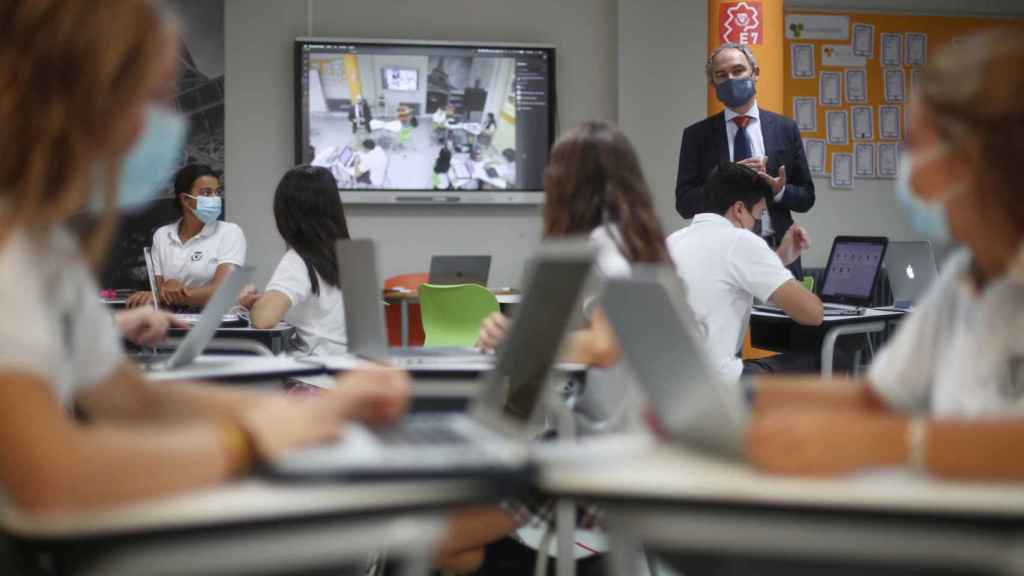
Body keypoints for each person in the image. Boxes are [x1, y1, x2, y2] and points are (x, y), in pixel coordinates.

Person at [0, 0, 409, 522]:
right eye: (153, 101)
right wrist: (250, 441)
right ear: (85, 100)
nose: (171, 126)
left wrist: (304, 414)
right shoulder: (12, 252)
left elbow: (132, 401)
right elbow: (49, 477)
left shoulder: (45, 250)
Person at [746, 30, 1024, 481]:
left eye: (913, 145)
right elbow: (875, 396)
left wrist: (896, 443)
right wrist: (737, 404)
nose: (905, 165)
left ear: (968, 158)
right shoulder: (962, 279)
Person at [445, 121, 671, 574]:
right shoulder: (639, 243)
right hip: (616, 448)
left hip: (591, 464)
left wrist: (521, 338)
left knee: (440, 538)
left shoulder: (604, 245)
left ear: (570, 182)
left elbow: (606, 345)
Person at [667, 162, 822, 386]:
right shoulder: (741, 240)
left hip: (674, 384)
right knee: (832, 357)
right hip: (719, 386)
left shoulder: (673, 240)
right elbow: (813, 314)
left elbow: (727, 277)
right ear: (739, 210)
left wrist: (779, 259)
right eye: (757, 216)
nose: (754, 225)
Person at [675, 42, 815, 279]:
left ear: (755, 73)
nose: (731, 79)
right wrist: (722, 179)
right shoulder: (697, 135)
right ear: (713, 84)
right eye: (721, 75)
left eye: (738, 71)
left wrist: (780, 192)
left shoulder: (784, 129)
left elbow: (806, 197)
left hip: (777, 251)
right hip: (719, 257)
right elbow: (684, 204)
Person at [238, 166, 350, 356]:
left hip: (312, 377)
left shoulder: (299, 260)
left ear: (285, 213)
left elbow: (263, 320)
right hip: (353, 375)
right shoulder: (348, 255)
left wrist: (256, 306)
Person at [126, 163, 246, 309]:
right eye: (207, 193)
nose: (215, 198)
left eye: (217, 192)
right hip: (172, 324)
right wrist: (167, 288)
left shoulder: (230, 232)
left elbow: (223, 292)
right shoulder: (162, 235)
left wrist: (167, 295)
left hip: (217, 326)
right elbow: (161, 291)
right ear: (185, 199)